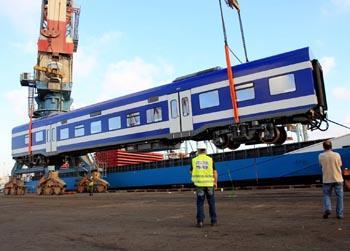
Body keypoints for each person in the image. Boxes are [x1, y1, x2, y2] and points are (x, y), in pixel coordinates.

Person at [190, 142, 218, 228]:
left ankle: (200, 221)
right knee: (211, 203)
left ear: (198, 150)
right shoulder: (210, 159)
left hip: (199, 185)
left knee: (200, 203)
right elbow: (215, 172)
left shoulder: (194, 160)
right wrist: (215, 182)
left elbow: (190, 171)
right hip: (210, 184)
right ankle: (213, 221)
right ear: (205, 150)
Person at [319, 140, 344, 219]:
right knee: (339, 197)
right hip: (338, 178)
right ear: (331, 146)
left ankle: (328, 209)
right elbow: (340, 165)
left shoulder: (320, 156)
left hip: (327, 179)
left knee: (326, 195)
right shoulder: (337, 155)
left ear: (323, 147)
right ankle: (339, 214)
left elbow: (321, 166)